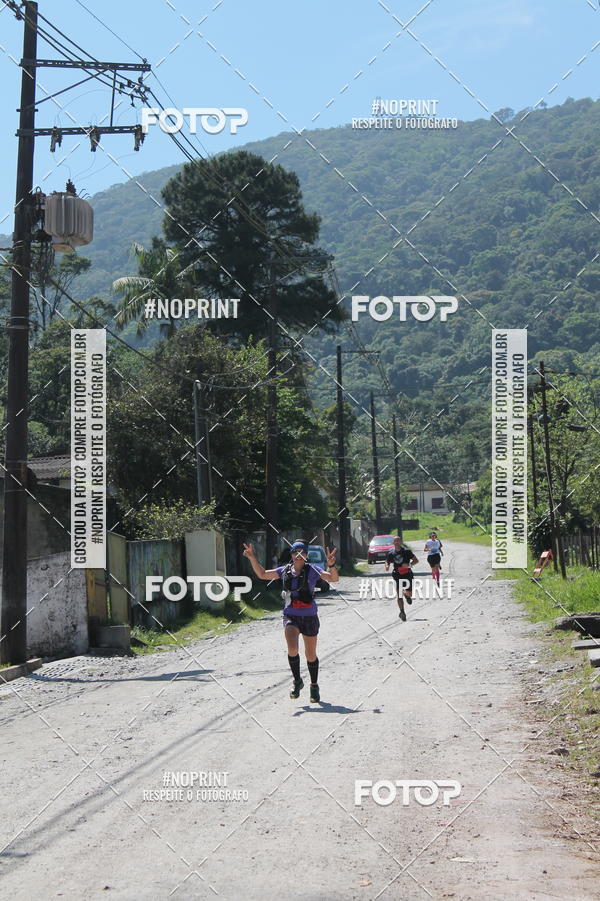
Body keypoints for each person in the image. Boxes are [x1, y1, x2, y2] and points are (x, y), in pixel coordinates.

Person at [242, 539, 339, 702]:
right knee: (293, 649)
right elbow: (262, 574)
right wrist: (252, 558)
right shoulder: (284, 570)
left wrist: (331, 564)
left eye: (302, 552)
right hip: (291, 616)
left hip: (309, 616)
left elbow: (333, 579)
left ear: (306, 555)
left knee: (310, 654)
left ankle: (314, 685)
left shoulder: (313, 570)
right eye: (295, 552)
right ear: (292, 555)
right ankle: (297, 681)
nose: (298, 555)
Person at [385, 536, 418, 621]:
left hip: (407, 574)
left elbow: (416, 560)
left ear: (401, 542)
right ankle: (402, 612)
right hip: (397, 575)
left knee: (409, 593)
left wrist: (409, 565)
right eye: (395, 541)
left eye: (398, 540)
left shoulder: (407, 551)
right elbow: (387, 561)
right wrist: (387, 565)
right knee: (399, 595)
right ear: (393, 543)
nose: (396, 542)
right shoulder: (391, 553)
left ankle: (406, 595)